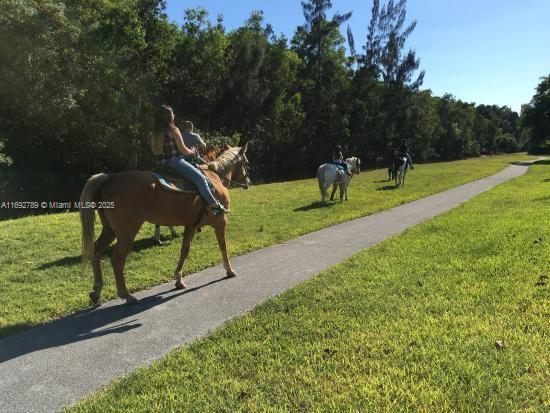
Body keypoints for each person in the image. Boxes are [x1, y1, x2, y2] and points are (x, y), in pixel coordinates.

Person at [151, 105, 229, 215]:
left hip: (160, 164)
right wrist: (192, 152)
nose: (174, 115)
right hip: (174, 162)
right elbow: (184, 151)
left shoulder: (156, 131)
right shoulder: (173, 129)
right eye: (172, 114)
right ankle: (215, 207)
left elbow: (155, 151)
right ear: (169, 117)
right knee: (201, 179)